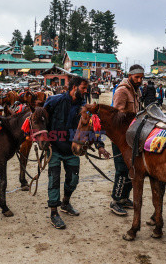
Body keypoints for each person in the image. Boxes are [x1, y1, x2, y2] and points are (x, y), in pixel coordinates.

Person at [44, 77, 109, 229]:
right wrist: (42, 138)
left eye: (87, 88)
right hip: (54, 147)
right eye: (84, 88)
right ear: (74, 87)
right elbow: (42, 118)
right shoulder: (55, 101)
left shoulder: (84, 108)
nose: (86, 91)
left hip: (72, 149)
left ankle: (65, 203)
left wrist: (100, 145)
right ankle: (54, 212)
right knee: (54, 179)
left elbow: (93, 127)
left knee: (73, 179)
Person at [110, 64, 143, 216]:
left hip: (132, 135)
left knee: (132, 167)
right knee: (122, 169)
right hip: (120, 137)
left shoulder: (136, 91)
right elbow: (116, 115)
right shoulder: (122, 91)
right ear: (130, 76)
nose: (139, 80)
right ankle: (115, 200)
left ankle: (124, 198)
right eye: (137, 77)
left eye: (141, 77)